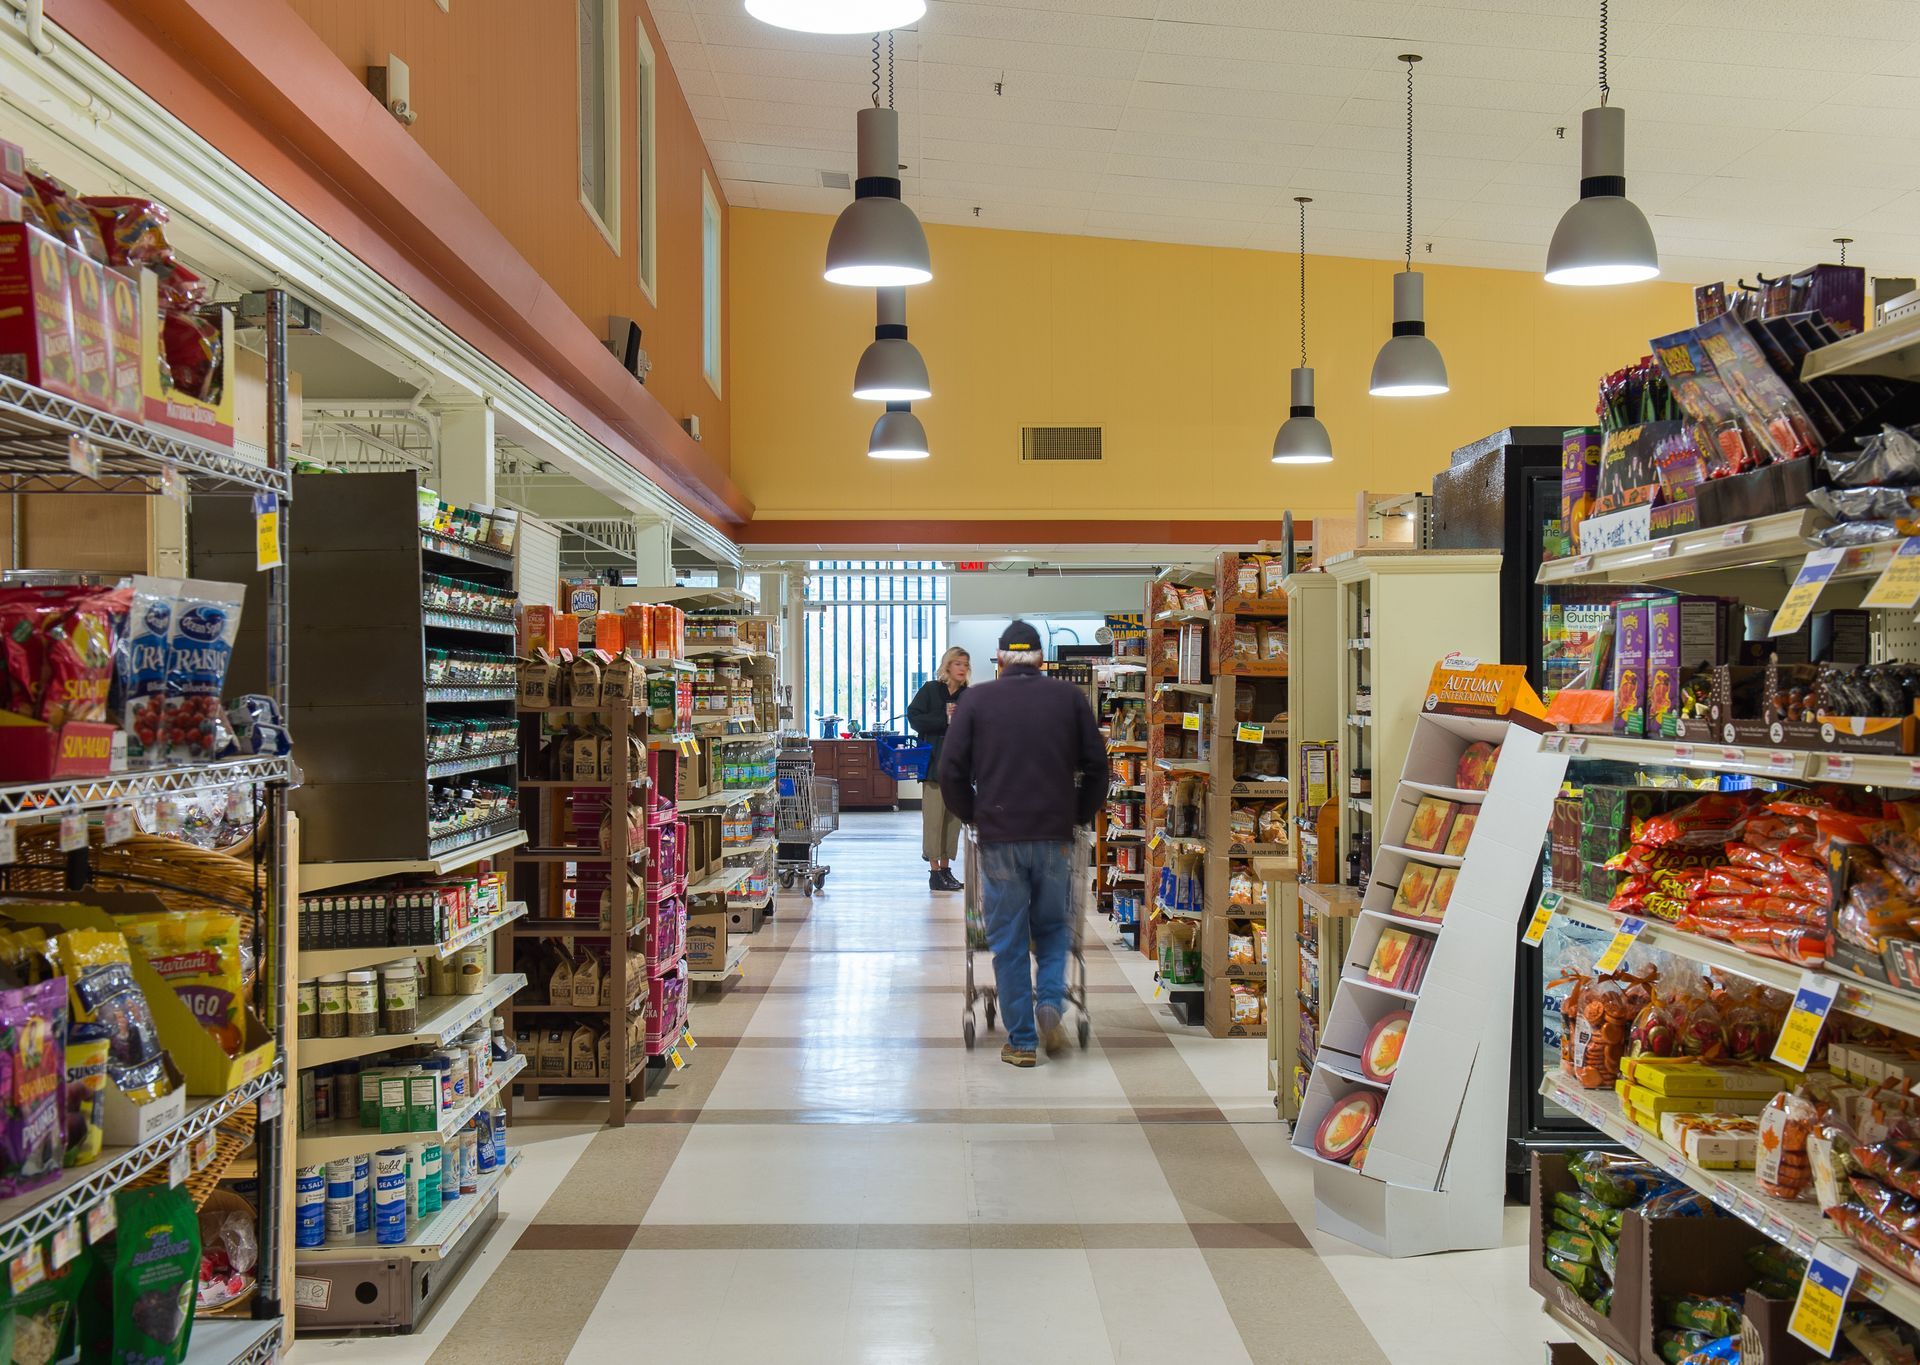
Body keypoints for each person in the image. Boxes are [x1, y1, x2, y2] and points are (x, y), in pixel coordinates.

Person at [939, 621, 1106, 1066]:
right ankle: (1050, 1000)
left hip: (998, 838)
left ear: (999, 659)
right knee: (1053, 928)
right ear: (1040, 659)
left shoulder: (976, 700)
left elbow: (950, 769)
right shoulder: (1069, 699)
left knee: (1008, 938)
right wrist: (1077, 813)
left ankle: (1022, 1042)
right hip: (1055, 836)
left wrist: (973, 813)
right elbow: (1097, 768)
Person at [907, 646, 970, 892]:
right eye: (958, 663)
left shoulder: (968, 696)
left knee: (953, 822)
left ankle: (946, 869)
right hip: (934, 767)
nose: (963, 668)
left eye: (966, 664)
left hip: (959, 770)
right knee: (934, 820)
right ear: (947, 667)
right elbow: (913, 717)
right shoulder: (931, 691)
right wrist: (943, 718)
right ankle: (934, 872)